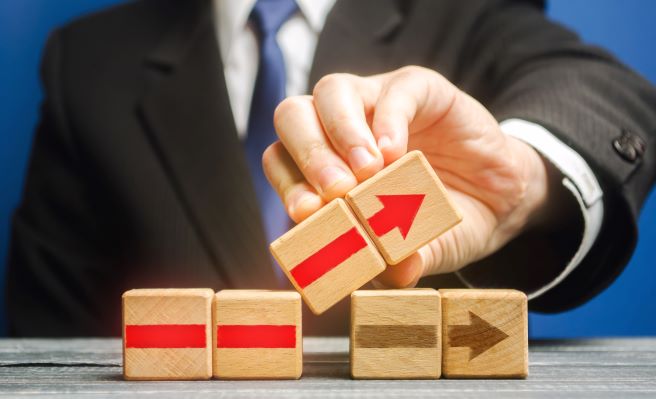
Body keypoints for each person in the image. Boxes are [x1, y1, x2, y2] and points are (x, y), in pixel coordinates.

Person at [5, 0, 656, 336]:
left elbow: (602, 92)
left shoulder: (467, 12)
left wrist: (520, 179)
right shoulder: (88, 62)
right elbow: (43, 340)